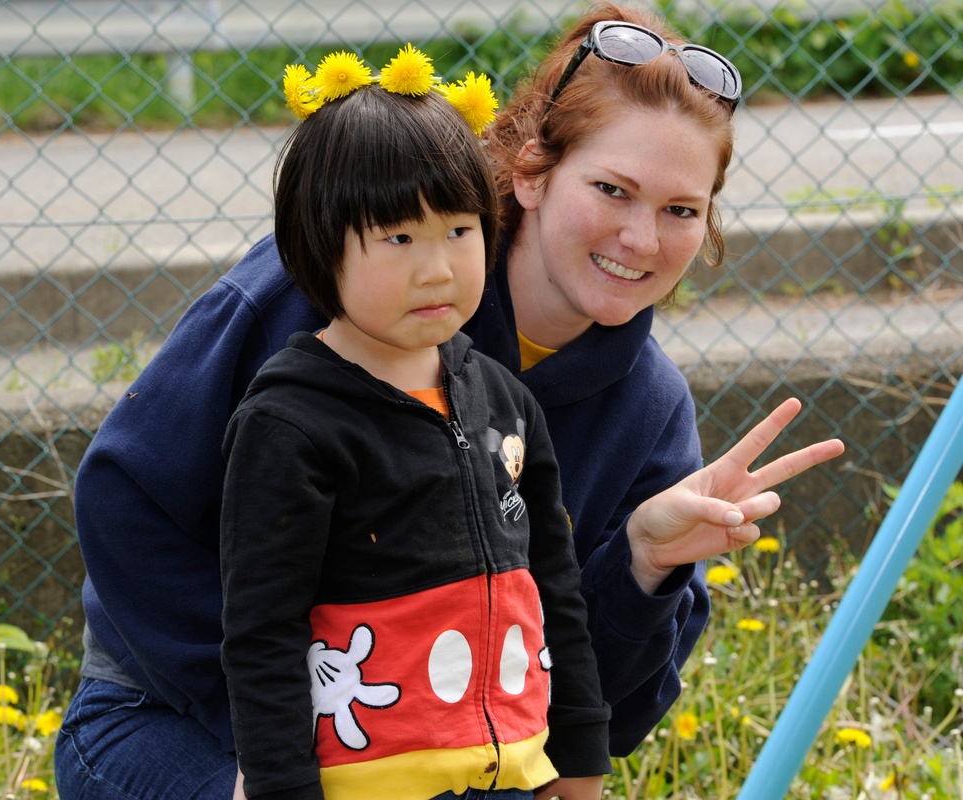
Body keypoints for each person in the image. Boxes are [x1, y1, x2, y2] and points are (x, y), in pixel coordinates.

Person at [55, 3, 845, 799]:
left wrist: (643, 563)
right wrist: (292, 747)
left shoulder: (650, 413)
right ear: (532, 172)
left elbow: (596, 721)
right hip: (179, 714)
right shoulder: (333, 289)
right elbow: (127, 501)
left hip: (438, 767)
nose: (642, 239)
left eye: (681, 210)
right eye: (612, 189)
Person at [220, 49, 610, 800]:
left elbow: (555, 589)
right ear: (318, 245)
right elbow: (261, 636)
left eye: (460, 231)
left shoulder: (503, 399)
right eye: (399, 238)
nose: (437, 268)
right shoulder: (290, 426)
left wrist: (580, 758)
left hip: (515, 775)